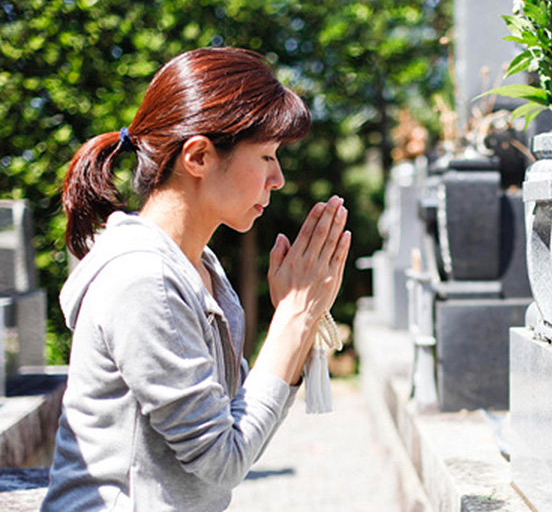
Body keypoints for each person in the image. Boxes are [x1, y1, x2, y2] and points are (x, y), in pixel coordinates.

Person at [40, 47, 351, 511]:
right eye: (266, 156)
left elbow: (237, 433)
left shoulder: (197, 267)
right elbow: (221, 461)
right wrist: (294, 316)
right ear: (199, 156)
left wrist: (298, 320)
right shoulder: (143, 279)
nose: (279, 178)